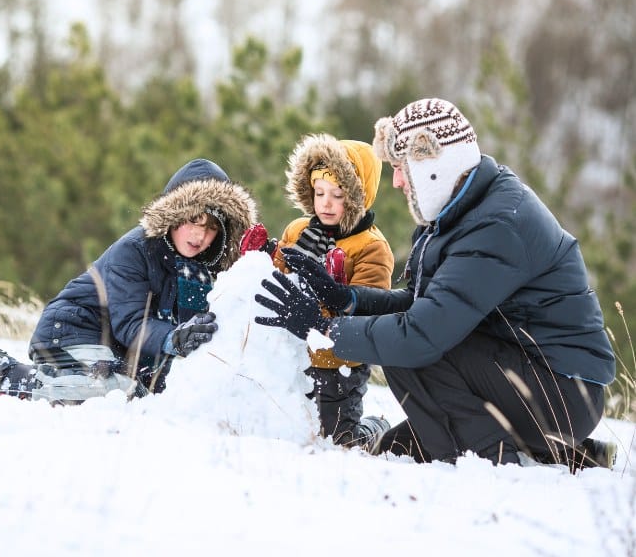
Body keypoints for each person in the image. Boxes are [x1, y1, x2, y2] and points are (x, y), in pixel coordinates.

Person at [253, 98, 618, 470]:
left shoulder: (496, 226)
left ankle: (494, 461)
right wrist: (347, 299)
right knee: (387, 450)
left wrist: (323, 328)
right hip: (523, 372)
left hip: (561, 393)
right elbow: (420, 305)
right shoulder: (462, 210)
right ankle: (555, 452)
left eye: (400, 168)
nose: (395, 181)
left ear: (432, 167)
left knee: (403, 347)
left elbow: (418, 335)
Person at [0, 158, 257, 402]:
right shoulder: (136, 249)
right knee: (106, 396)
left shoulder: (204, 272)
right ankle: (2, 374)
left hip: (120, 355)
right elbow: (131, 324)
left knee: (139, 396)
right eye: (194, 220)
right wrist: (172, 338)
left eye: (212, 228)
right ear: (175, 215)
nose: (200, 235)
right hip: (73, 330)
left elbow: (199, 335)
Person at [241, 134, 394, 449]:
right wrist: (261, 259)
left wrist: (336, 293)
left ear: (357, 197)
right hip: (293, 353)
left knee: (338, 440)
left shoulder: (371, 248)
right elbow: (280, 279)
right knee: (294, 431)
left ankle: (376, 426)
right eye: (319, 191)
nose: (324, 202)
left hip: (339, 363)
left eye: (337, 194)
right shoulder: (298, 231)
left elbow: (368, 313)